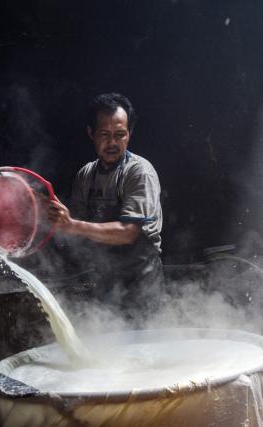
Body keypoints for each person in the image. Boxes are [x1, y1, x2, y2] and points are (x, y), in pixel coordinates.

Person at [48, 93, 164, 319]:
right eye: (105, 135)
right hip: (104, 281)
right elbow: (77, 231)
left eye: (120, 135)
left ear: (129, 134)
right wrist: (54, 218)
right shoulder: (86, 175)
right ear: (91, 133)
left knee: (142, 349)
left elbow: (128, 233)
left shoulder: (139, 172)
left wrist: (72, 225)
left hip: (141, 284)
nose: (112, 143)